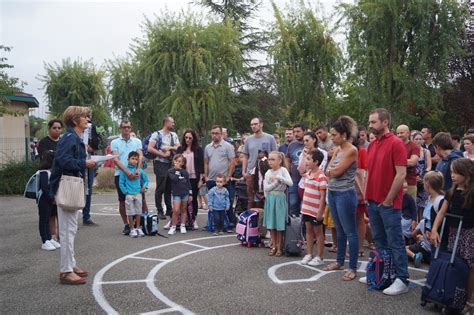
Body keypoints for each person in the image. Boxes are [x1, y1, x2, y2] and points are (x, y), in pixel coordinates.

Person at [360, 108, 409, 295]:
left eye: (373, 122)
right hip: (372, 201)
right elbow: (368, 173)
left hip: (388, 204)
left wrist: (388, 200)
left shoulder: (396, 143)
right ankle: (381, 273)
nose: (370, 125)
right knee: (379, 240)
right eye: (370, 122)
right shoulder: (371, 145)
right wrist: (366, 193)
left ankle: (402, 279)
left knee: (395, 241)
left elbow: (401, 174)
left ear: (385, 122)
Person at [49, 105, 97, 285]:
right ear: (76, 120)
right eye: (84, 117)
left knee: (71, 229)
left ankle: (71, 264)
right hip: (67, 186)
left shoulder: (73, 137)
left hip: (72, 185)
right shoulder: (70, 138)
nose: (87, 120)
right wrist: (84, 163)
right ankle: (66, 270)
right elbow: (62, 160)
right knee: (67, 231)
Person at [431, 158, 474, 312]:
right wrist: (434, 229)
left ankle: (467, 300)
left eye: (456, 172)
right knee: (454, 263)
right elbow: (441, 212)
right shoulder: (451, 191)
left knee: (469, 267)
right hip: (454, 232)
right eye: (451, 172)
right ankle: (452, 293)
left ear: (466, 173)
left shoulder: (472, 192)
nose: (453, 175)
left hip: (470, 233)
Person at [322, 116, 359, 282]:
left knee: (350, 231)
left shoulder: (351, 150)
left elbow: (335, 172)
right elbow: (328, 170)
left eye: (334, 134)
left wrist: (331, 171)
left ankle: (352, 267)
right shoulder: (337, 149)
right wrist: (331, 171)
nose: (332, 137)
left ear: (343, 135)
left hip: (345, 194)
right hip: (333, 192)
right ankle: (339, 262)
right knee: (338, 228)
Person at [111, 120, 143, 235]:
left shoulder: (137, 141)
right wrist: (127, 171)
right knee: (123, 201)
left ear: (131, 128)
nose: (126, 129)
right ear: (120, 128)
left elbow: (140, 156)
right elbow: (115, 159)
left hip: (136, 174)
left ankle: (138, 224)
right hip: (121, 174)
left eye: (128, 127)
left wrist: (138, 169)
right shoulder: (115, 142)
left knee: (139, 199)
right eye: (124, 127)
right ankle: (126, 224)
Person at [147, 116, 180, 220]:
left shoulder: (173, 135)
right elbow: (150, 148)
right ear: (166, 123)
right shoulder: (156, 135)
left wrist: (169, 148)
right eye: (172, 122)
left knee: (169, 187)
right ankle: (159, 210)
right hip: (160, 163)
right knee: (161, 187)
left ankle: (169, 210)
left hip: (171, 163)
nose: (174, 124)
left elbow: (178, 147)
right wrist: (162, 154)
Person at [203, 125, 235, 226]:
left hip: (224, 180)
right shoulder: (208, 147)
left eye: (216, 133)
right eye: (212, 133)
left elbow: (232, 161)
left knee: (227, 200)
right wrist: (206, 177)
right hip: (212, 179)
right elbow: (206, 163)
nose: (214, 135)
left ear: (221, 134)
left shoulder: (228, 146)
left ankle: (231, 221)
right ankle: (212, 222)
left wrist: (229, 176)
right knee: (212, 202)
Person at [300, 149, 327, 266]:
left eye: (308, 159)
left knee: (319, 233)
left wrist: (320, 212)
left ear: (316, 162)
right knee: (309, 231)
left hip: (316, 210)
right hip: (306, 209)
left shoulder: (321, 176)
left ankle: (319, 256)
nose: (306, 162)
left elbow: (322, 196)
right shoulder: (308, 175)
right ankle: (309, 253)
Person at [242, 117, 277, 209]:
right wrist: (244, 171)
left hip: (266, 172)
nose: (253, 126)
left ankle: (265, 220)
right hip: (251, 171)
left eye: (255, 124)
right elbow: (245, 156)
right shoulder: (248, 140)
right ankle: (250, 220)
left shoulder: (270, 138)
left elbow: (275, 155)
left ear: (261, 124)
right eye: (252, 124)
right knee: (251, 198)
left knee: (266, 197)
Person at [37, 118, 63, 241]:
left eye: (59, 128)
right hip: (48, 177)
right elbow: (45, 157)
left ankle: (61, 234)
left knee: (61, 208)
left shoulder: (63, 142)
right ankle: (52, 235)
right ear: (49, 129)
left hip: (62, 177)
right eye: (54, 127)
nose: (57, 130)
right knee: (51, 209)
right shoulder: (43, 142)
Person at [264, 151, 293, 257]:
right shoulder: (268, 172)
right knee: (272, 224)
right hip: (271, 198)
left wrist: (279, 178)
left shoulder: (283, 170)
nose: (270, 161)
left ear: (280, 161)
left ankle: (280, 246)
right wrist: (276, 183)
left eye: (273, 159)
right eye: (269, 159)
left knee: (279, 224)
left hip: (280, 198)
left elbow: (290, 183)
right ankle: (274, 246)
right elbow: (266, 188)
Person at [177, 129, 204, 229]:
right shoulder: (180, 149)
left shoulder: (198, 149)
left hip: (194, 178)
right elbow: (175, 163)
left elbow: (201, 165)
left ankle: (193, 219)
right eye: (186, 137)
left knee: (193, 199)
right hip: (182, 178)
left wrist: (201, 179)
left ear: (193, 139)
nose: (188, 139)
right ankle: (177, 220)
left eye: (190, 138)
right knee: (181, 199)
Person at [119, 151, 148, 238]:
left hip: (138, 193)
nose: (134, 161)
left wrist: (145, 187)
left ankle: (138, 228)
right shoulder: (125, 171)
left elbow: (146, 180)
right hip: (129, 195)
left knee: (138, 212)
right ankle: (132, 229)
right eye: (132, 158)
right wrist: (125, 191)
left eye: (136, 159)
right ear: (128, 159)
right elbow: (121, 183)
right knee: (130, 212)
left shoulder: (140, 171)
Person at [37, 150, 61, 251]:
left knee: (47, 219)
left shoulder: (49, 172)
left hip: (49, 199)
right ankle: (44, 240)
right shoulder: (43, 172)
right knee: (43, 220)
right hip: (44, 199)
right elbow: (45, 188)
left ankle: (49, 238)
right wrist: (52, 198)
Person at [297, 131, 328, 199]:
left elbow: (319, 169)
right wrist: (304, 156)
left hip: (317, 185)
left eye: (307, 140)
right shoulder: (303, 153)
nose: (305, 143)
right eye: (304, 141)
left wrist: (307, 172)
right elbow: (301, 172)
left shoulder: (323, 153)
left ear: (314, 140)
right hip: (303, 185)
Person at [167, 154, 192, 235]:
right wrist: (177, 172)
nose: (177, 163)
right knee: (176, 210)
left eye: (180, 161)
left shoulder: (185, 172)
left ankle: (183, 225)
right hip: (176, 193)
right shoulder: (170, 171)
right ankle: (173, 226)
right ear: (174, 161)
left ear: (182, 163)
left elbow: (188, 183)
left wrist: (190, 193)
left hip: (185, 193)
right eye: (176, 161)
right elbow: (174, 179)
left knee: (184, 209)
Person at [285, 123, 305, 216]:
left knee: (306, 206)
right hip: (294, 179)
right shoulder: (292, 145)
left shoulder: (309, 143)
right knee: (293, 203)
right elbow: (288, 159)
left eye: (298, 131)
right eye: (294, 132)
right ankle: (294, 227)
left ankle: (305, 228)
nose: (296, 134)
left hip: (307, 180)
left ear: (304, 131)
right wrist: (288, 171)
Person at [396, 125, 420, 199]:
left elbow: (413, 162)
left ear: (408, 133)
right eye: (397, 133)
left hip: (410, 183)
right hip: (396, 182)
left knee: (410, 207)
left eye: (402, 133)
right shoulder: (395, 146)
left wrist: (395, 162)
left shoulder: (414, 146)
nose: (399, 135)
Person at [413, 131, 432, 219]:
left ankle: (421, 224)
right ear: (413, 140)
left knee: (422, 205)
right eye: (416, 139)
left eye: (420, 139)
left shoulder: (426, 152)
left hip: (423, 179)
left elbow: (429, 167)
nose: (418, 141)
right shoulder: (410, 151)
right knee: (413, 203)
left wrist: (422, 177)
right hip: (412, 178)